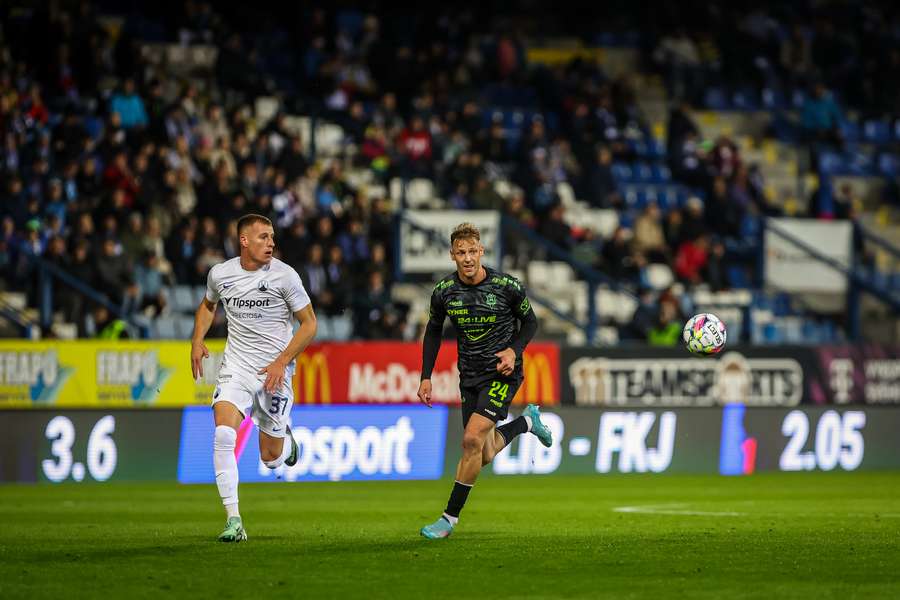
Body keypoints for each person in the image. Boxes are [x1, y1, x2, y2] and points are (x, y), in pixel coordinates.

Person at [417, 222, 552, 540]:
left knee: (471, 440)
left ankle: (448, 518)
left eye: (472, 251)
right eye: (460, 252)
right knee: (485, 451)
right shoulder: (445, 292)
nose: (467, 258)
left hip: (502, 373)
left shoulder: (506, 286)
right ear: (452, 255)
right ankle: (526, 425)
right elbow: (433, 331)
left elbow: (530, 322)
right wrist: (426, 376)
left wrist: (513, 351)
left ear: (482, 251)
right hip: (470, 377)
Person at [190, 214, 317, 543]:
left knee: (271, 458)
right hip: (237, 367)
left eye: (272, 237)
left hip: (276, 373)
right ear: (243, 241)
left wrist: (282, 361)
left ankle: (286, 442)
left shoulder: (285, 276)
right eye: (263, 237)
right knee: (222, 434)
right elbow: (208, 305)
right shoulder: (221, 274)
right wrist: (197, 340)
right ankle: (233, 519)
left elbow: (309, 324)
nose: (271, 242)